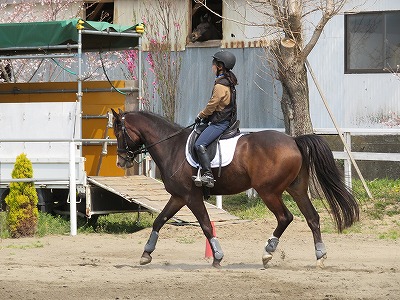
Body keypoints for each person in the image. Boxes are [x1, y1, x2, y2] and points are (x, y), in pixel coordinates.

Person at [194, 50, 238, 188]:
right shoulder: (228, 81)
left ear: (220, 66)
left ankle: (207, 175)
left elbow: (212, 105)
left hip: (220, 123)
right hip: (225, 120)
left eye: (213, 64)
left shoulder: (220, 85)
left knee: (199, 145)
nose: (212, 66)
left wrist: (201, 115)